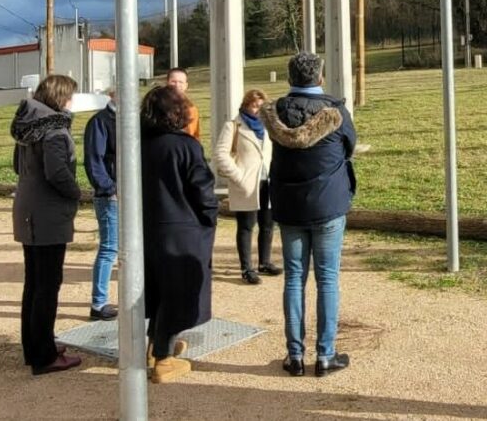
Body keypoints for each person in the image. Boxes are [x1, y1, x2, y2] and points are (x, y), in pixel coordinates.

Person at [261, 52, 356, 378]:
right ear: (320, 78)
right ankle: (325, 355)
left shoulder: (276, 114)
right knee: (327, 279)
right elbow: (350, 147)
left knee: (294, 280)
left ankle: (295, 356)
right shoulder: (335, 113)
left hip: (288, 207)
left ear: (290, 79)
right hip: (327, 206)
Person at [140, 85, 218, 384]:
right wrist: (209, 219)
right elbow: (203, 191)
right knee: (178, 293)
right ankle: (164, 359)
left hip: (146, 229)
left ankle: (156, 344)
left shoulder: (137, 145)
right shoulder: (185, 145)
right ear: (178, 112)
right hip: (183, 229)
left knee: (157, 290)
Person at [11, 74, 83, 376]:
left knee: (35, 283)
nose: (72, 102)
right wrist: (76, 193)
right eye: (70, 96)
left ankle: (36, 345)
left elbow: (17, 166)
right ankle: (44, 356)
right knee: (47, 285)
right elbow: (57, 172)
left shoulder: (29, 127)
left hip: (28, 208)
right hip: (48, 213)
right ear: (61, 97)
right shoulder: (53, 130)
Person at [213, 89, 281, 285]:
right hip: (246, 183)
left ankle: (264, 262)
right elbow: (220, 154)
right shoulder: (233, 125)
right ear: (246, 105)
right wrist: (238, 176)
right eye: (253, 105)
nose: (257, 109)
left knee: (267, 224)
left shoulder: (268, 126)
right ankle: (246, 268)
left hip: (267, 180)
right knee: (246, 226)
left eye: (260, 105)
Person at [83, 89, 118, 321]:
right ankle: (98, 303)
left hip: (132, 195)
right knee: (109, 248)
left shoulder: (133, 120)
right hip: (111, 197)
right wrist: (109, 189)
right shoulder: (100, 121)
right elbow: (94, 159)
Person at [166, 67, 201, 140]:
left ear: (186, 85)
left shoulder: (191, 109)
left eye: (181, 82)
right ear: (167, 83)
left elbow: (194, 135)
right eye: (173, 81)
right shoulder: (159, 104)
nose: (177, 85)